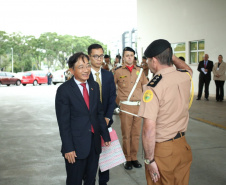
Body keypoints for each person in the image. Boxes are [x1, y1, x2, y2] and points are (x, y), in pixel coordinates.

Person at [138, 39, 193, 185]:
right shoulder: (184, 76)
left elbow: (148, 130)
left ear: (154, 60)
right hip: (182, 147)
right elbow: (189, 69)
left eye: (148, 60)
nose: (147, 63)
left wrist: (149, 160)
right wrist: (170, 56)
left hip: (163, 152)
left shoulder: (153, 87)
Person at [55, 52, 111, 185]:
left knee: (91, 180)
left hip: (94, 143)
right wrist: (68, 147)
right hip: (75, 147)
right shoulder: (64, 90)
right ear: (71, 70)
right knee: (74, 180)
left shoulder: (94, 86)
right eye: (81, 67)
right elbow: (63, 123)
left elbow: (98, 113)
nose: (86, 70)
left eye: (87, 66)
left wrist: (105, 135)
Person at [114, 47, 148, 170]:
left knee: (136, 135)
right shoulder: (118, 71)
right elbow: (113, 89)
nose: (129, 57)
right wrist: (117, 104)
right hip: (125, 107)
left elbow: (145, 87)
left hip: (138, 107)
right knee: (126, 135)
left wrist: (147, 104)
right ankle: (127, 159)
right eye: (127, 55)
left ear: (134, 57)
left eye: (131, 55)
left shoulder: (140, 70)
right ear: (123, 57)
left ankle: (134, 158)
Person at [87, 44, 116, 185]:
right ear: (89, 57)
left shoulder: (108, 75)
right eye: (96, 56)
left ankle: (104, 182)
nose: (99, 59)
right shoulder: (85, 76)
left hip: (106, 121)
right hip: (90, 124)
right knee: (92, 158)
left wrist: (107, 117)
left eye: (101, 56)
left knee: (106, 157)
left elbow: (112, 98)